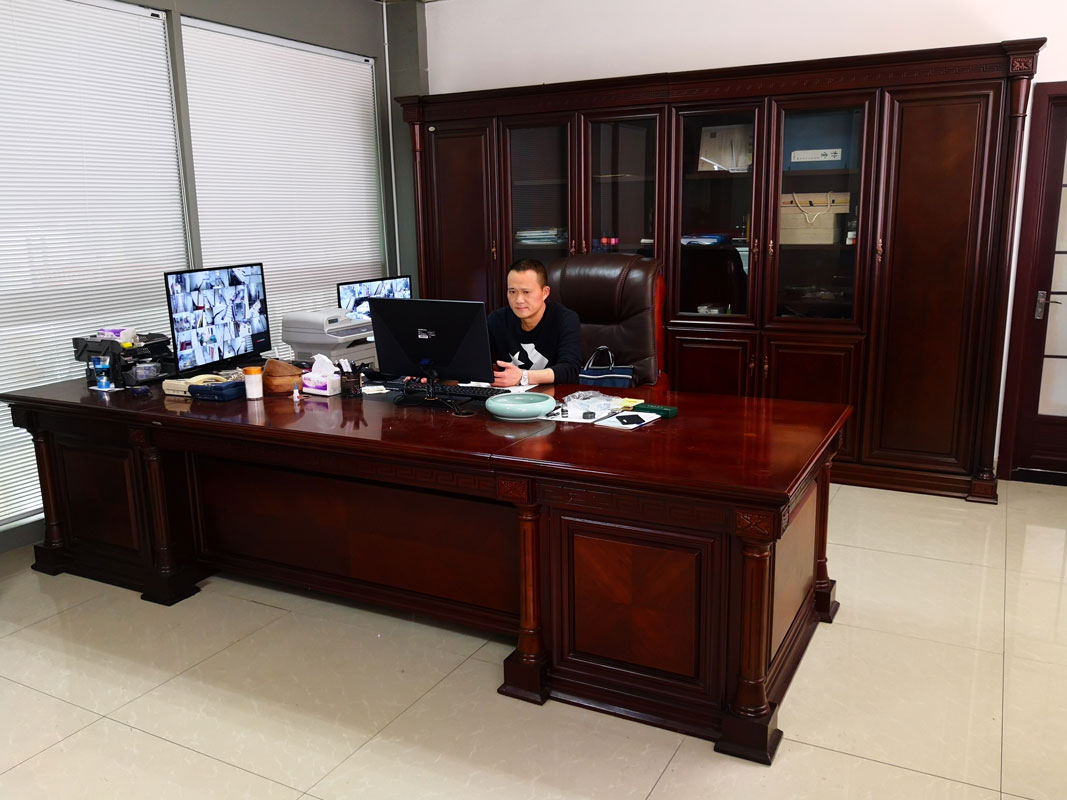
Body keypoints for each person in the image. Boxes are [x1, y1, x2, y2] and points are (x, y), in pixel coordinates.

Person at [488, 259, 581, 388]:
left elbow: (570, 370)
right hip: (509, 396)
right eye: (512, 291)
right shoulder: (497, 320)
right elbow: (476, 360)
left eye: (526, 292)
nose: (519, 300)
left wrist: (523, 377)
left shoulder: (565, 319)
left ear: (545, 293)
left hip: (555, 395)